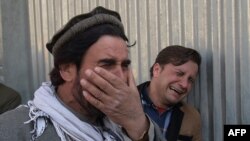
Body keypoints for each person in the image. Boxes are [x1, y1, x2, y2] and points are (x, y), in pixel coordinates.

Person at [0, 6, 165, 141]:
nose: (121, 77)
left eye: (124, 65)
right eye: (107, 64)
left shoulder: (127, 125)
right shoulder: (14, 129)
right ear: (66, 69)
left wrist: (136, 122)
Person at [138, 45, 202, 141]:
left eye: (190, 80)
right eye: (179, 73)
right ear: (157, 70)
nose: (184, 85)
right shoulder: (121, 103)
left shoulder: (192, 117)